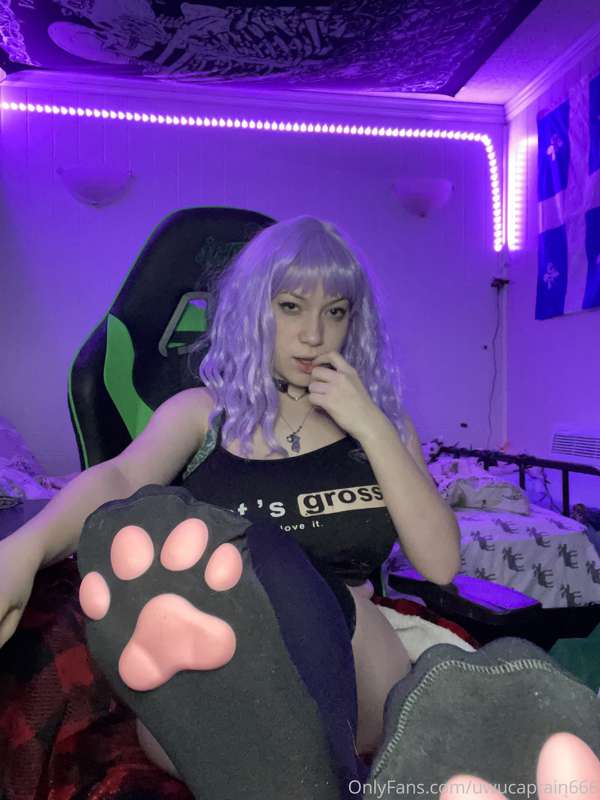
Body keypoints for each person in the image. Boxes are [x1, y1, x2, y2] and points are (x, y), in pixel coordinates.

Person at [2, 216, 599, 799]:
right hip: (227, 642)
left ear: (354, 322)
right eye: (291, 307)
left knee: (284, 567)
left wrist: (371, 425)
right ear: (253, 311)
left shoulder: (383, 426)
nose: (314, 334)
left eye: (334, 312)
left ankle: (287, 755)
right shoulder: (204, 412)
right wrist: (24, 550)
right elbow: (119, 478)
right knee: (243, 562)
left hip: (352, 657)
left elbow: (440, 563)